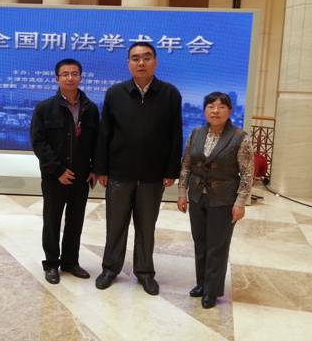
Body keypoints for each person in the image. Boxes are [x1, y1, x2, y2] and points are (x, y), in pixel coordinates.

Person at [93, 42, 183, 295]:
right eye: (135, 58)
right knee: (116, 225)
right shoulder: (115, 93)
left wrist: (171, 171)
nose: (141, 62)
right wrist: (102, 169)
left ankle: (144, 272)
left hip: (153, 175)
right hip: (119, 173)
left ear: (155, 61)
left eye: (146, 57)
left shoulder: (170, 94)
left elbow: (175, 134)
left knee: (146, 227)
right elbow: (105, 133)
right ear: (128, 63)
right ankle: (110, 269)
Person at [177, 91, 253, 308]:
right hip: (197, 196)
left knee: (217, 246)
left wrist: (240, 203)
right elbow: (186, 165)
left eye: (221, 107)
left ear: (230, 111)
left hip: (224, 198)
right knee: (200, 241)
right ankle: (201, 284)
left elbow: (247, 173)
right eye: (211, 106)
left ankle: (212, 290)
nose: (215, 111)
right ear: (205, 111)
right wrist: (182, 192)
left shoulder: (239, 137)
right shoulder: (196, 133)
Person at [30, 58, 100, 284]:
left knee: (75, 221)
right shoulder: (44, 108)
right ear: (57, 79)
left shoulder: (90, 109)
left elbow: (96, 141)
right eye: (65, 74)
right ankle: (51, 264)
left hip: (81, 175)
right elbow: (38, 142)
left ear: (81, 77)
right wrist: (58, 170)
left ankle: (70, 262)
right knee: (52, 221)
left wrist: (94, 168)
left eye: (74, 73)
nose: (70, 78)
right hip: (54, 177)